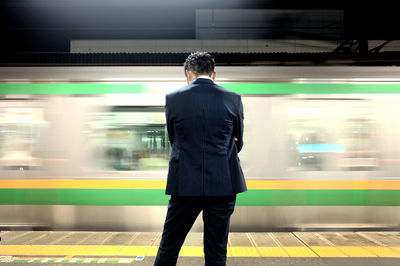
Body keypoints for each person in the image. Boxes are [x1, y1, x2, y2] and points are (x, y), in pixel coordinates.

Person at [154, 52, 246, 266]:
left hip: (185, 184)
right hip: (223, 185)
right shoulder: (233, 98)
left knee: (169, 246)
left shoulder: (173, 98)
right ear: (214, 74)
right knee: (216, 250)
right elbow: (238, 143)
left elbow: (173, 138)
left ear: (188, 74)